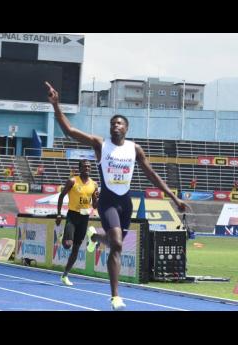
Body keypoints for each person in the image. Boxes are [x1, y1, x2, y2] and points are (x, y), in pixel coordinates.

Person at [46, 82, 190, 310]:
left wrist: (174, 198)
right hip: (108, 202)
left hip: (126, 203)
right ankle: (115, 296)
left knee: (116, 244)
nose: (116, 125)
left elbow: (152, 175)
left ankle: (95, 239)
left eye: (120, 123)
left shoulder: (135, 149)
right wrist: (56, 105)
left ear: (126, 129)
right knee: (118, 244)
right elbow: (70, 132)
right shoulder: (100, 145)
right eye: (113, 123)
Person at [56, 159, 98, 286]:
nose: (87, 168)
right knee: (68, 245)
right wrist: (58, 214)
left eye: (89, 166)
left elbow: (94, 204)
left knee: (76, 249)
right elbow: (61, 196)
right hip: (72, 216)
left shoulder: (94, 184)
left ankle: (65, 275)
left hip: (84, 218)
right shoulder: (72, 181)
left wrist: (98, 198)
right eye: (84, 166)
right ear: (79, 168)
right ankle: (64, 237)